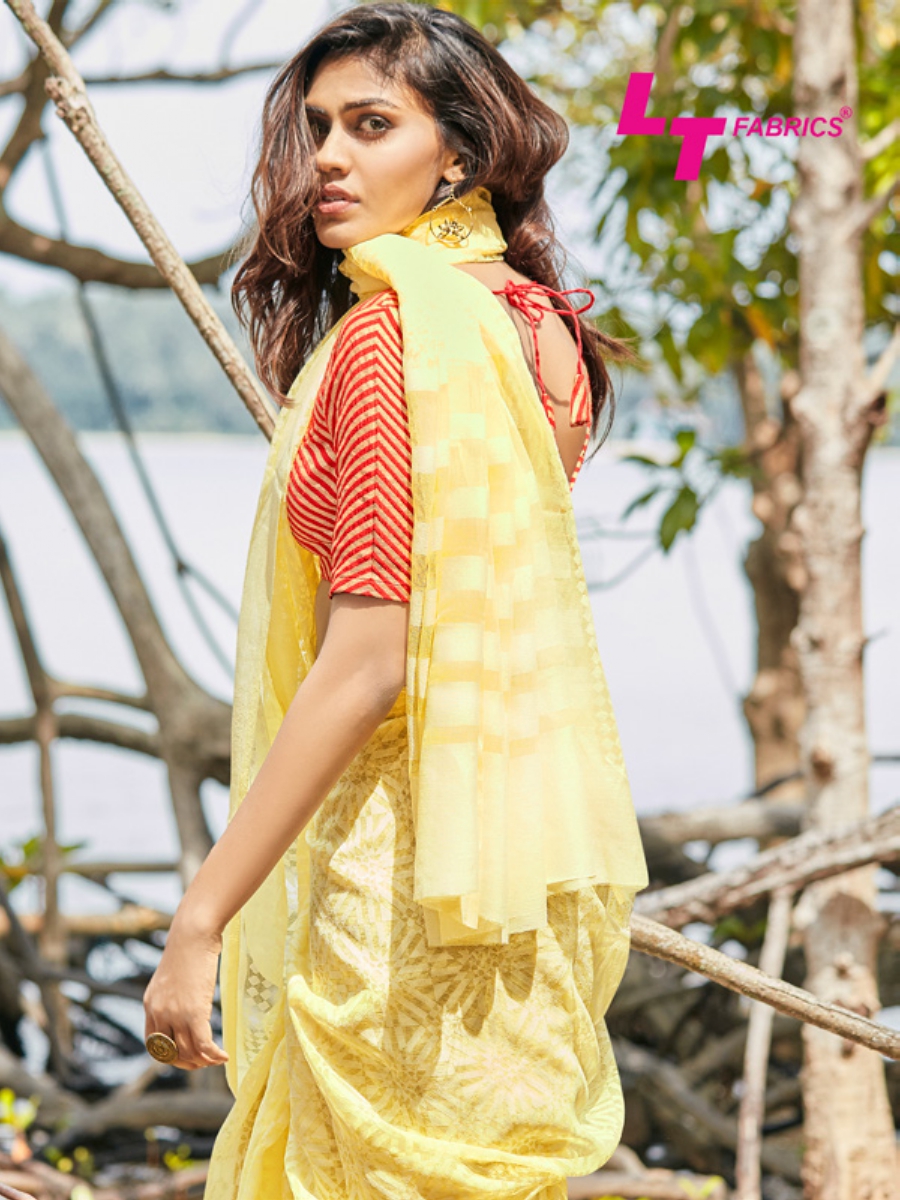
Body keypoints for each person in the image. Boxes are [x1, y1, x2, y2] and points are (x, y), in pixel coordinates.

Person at [142, 5, 650, 1198]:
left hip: (394, 893)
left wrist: (201, 919)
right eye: (319, 126)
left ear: (459, 155)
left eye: (371, 126)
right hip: (522, 874)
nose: (327, 157)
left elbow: (369, 663)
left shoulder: (393, 342)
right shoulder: (542, 330)